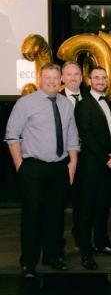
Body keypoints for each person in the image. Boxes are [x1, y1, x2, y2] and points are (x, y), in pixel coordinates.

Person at [5, 63, 79, 278]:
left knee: (56, 216)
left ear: (61, 80)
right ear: (40, 78)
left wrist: (72, 164)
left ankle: (52, 256)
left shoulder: (66, 104)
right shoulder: (25, 103)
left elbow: (72, 136)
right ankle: (28, 262)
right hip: (33, 167)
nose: (52, 81)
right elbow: (12, 135)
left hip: (59, 167)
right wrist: (20, 164)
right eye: (47, 77)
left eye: (56, 78)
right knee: (32, 215)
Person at [74, 67, 111, 271]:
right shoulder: (83, 105)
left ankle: (102, 244)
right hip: (91, 168)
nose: (100, 80)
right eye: (96, 78)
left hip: (108, 167)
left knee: (103, 208)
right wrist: (106, 158)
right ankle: (86, 252)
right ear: (89, 80)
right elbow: (87, 136)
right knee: (86, 212)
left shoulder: (110, 103)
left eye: (103, 77)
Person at [60, 61, 85, 252]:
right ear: (62, 77)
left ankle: (80, 237)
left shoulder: (90, 100)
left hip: (85, 160)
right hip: (61, 159)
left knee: (81, 202)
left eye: (76, 74)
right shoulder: (56, 99)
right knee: (58, 203)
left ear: (82, 77)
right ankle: (56, 241)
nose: (73, 78)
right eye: (69, 74)